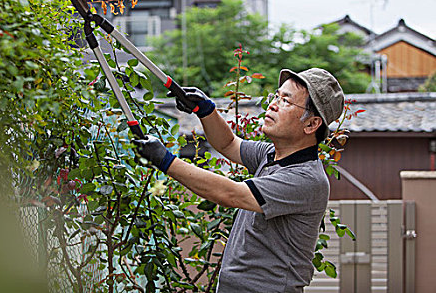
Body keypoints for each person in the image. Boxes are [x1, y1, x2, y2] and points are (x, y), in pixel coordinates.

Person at [133, 68, 345, 292]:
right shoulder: (271, 155)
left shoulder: (305, 178)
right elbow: (228, 144)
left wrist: (165, 161)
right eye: (277, 96)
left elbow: (231, 194)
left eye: (286, 102)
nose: (273, 104)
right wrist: (205, 110)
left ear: (311, 124)